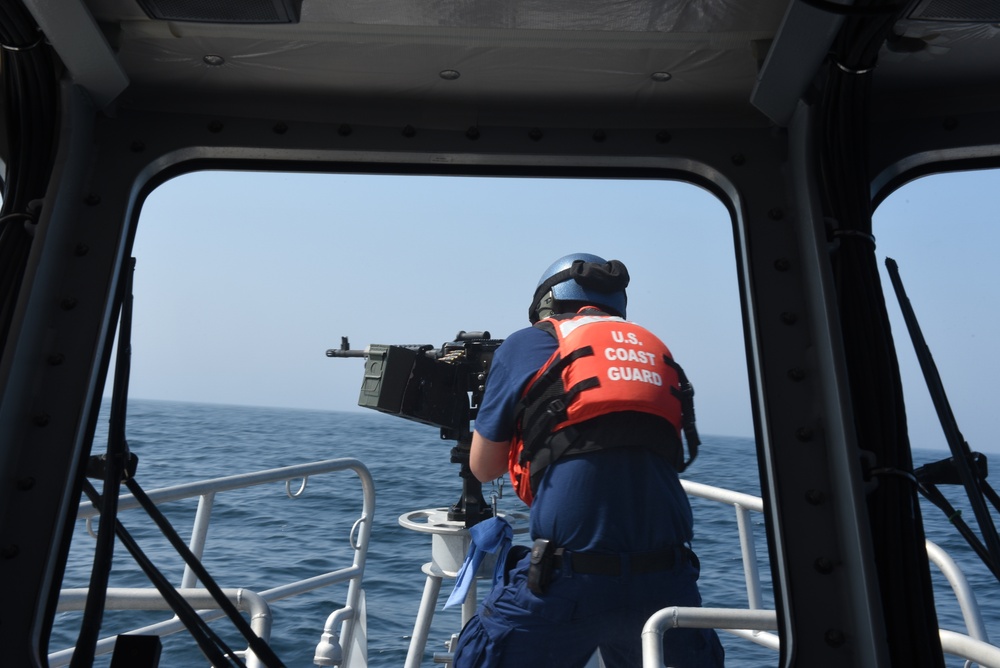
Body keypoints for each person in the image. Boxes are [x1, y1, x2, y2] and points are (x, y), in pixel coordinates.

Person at [451, 253, 725, 668]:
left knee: (479, 654)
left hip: (567, 581)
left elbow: (484, 468)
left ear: (546, 304)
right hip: (668, 580)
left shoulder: (528, 343)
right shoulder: (653, 354)